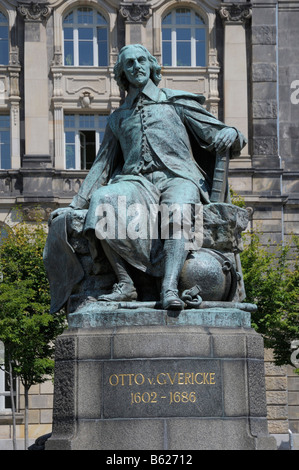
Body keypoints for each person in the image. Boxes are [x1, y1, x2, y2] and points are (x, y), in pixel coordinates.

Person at [48, 44, 246, 311]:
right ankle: (125, 284)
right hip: (136, 181)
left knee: (177, 210)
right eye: (129, 64)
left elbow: (222, 134)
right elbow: (102, 165)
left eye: (141, 60)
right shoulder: (118, 118)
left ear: (152, 66)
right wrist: (74, 206)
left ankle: (169, 288)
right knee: (103, 200)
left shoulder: (176, 102)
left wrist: (232, 133)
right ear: (123, 74)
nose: (136, 66)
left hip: (178, 177)